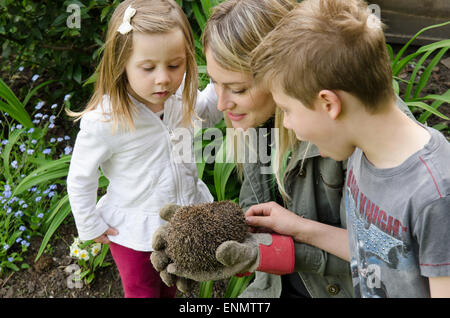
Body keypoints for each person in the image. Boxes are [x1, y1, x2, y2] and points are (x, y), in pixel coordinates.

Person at [151, 0, 412, 298]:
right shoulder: (256, 121)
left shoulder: (346, 129)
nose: (222, 105)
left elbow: (386, 254)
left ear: (281, 72)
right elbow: (258, 225)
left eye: (238, 89)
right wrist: (201, 236)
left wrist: (267, 253)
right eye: (214, 83)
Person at [247, 0, 450, 297]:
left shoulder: (435, 196)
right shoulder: (364, 155)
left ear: (329, 103)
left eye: (287, 110)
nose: (287, 124)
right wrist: (297, 227)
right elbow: (375, 251)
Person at [66, 0, 221, 298]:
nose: (163, 77)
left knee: (172, 286)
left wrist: (225, 79)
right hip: (133, 233)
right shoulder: (107, 118)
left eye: (175, 65)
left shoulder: (179, 98)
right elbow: (80, 177)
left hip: (179, 222)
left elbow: (207, 110)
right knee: (143, 292)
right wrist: (89, 225)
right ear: (120, 63)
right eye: (148, 67)